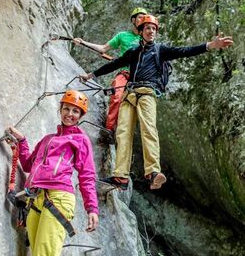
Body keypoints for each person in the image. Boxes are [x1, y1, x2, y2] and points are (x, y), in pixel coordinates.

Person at [80, 14, 233, 190]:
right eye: (147, 28)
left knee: (148, 130)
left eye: (153, 29)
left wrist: (210, 45)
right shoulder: (133, 52)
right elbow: (115, 64)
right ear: (141, 32)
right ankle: (120, 177)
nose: (151, 31)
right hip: (129, 94)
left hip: (147, 93)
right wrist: (91, 75)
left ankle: (153, 172)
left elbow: (184, 51)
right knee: (122, 133)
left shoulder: (160, 50)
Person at [8, 89, 99, 256]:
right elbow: (28, 165)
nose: (70, 114)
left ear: (81, 116)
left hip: (58, 198)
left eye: (76, 111)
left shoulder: (80, 139)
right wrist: (21, 142)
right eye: (67, 109)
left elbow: (87, 175)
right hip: (36, 200)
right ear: (60, 109)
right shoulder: (48, 139)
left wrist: (92, 208)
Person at [74, 7, 147, 137]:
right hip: (124, 74)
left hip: (141, 77)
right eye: (140, 17)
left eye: (144, 17)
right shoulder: (123, 36)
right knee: (117, 97)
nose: (143, 20)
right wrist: (82, 42)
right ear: (133, 20)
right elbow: (103, 48)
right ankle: (108, 130)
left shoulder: (147, 38)